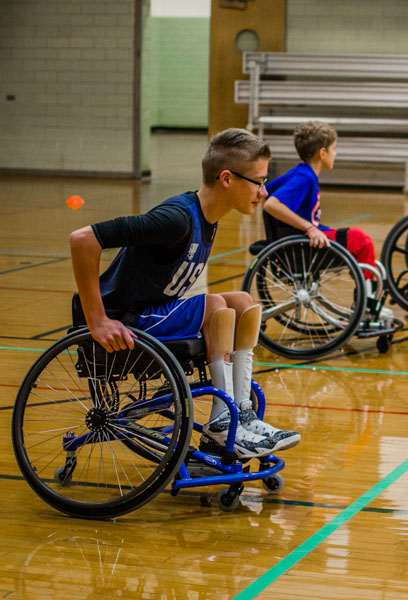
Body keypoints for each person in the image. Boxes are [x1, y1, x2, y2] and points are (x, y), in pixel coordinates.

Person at [69, 128, 301, 460]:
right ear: (226, 178)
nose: (263, 192)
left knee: (245, 303)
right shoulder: (174, 219)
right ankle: (222, 419)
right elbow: (82, 240)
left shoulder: (207, 216)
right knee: (216, 304)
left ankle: (242, 413)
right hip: (127, 318)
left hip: (155, 312)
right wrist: (97, 320)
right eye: (259, 181)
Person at [262, 121, 391, 321]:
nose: (335, 154)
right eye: (334, 149)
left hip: (302, 242)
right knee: (361, 240)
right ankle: (366, 303)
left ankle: (367, 295)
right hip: (303, 246)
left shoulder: (300, 172)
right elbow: (271, 204)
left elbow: (265, 190)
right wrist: (309, 228)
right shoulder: (304, 177)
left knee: (361, 247)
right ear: (322, 153)